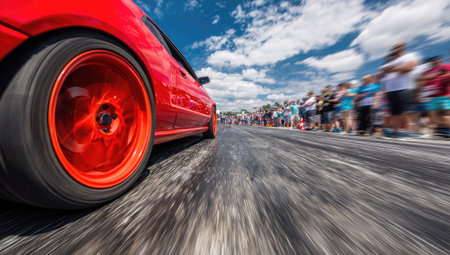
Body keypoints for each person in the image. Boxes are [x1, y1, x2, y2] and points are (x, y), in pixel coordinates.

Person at [380, 42, 418, 137]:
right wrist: (395, 67)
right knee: (394, 113)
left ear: (403, 47)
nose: (394, 49)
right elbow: (382, 70)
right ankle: (395, 132)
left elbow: (409, 67)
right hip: (391, 91)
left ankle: (408, 133)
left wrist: (392, 68)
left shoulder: (410, 56)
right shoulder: (391, 61)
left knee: (406, 112)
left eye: (396, 47)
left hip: (403, 88)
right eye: (394, 48)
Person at [418, 56, 450, 138]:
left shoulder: (445, 66)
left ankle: (447, 130)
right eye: (433, 60)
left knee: (445, 113)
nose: (436, 61)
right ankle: (442, 129)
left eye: (437, 59)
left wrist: (438, 76)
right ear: (430, 62)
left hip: (444, 94)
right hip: (432, 96)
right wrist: (420, 94)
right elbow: (421, 82)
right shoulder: (426, 72)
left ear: (440, 60)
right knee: (432, 115)